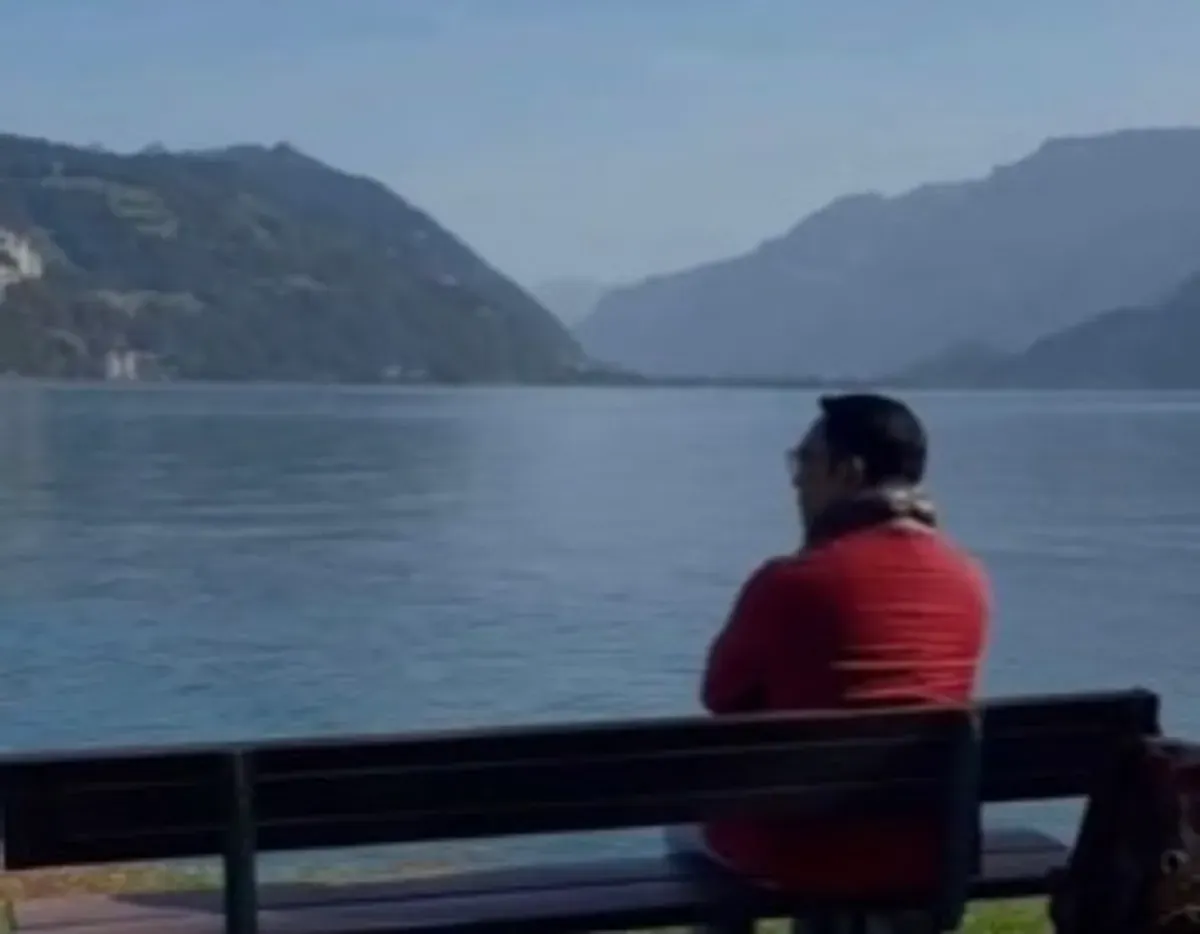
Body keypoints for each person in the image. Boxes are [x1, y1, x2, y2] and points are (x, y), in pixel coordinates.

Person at [669, 393, 990, 926]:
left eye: (806, 461)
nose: (796, 480)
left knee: (686, 830)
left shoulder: (790, 583)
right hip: (929, 849)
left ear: (848, 473)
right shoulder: (969, 579)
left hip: (805, 853)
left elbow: (721, 696)